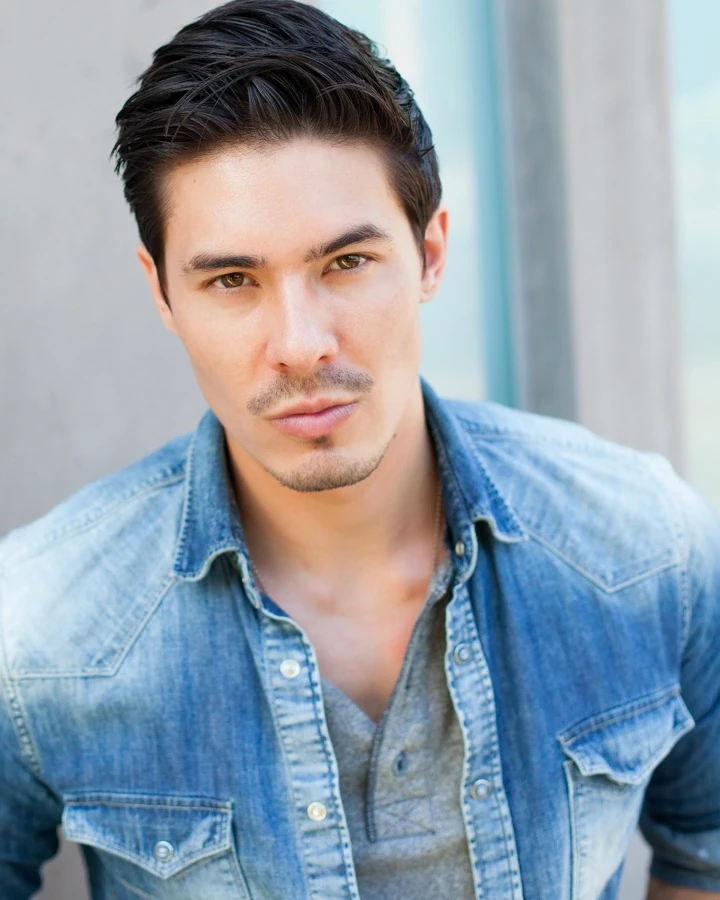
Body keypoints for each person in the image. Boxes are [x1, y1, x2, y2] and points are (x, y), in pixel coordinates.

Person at [0, 1, 718, 897]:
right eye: (232, 280)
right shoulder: (40, 632)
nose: (302, 345)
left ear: (430, 254)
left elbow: (705, 845)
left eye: (346, 263)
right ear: (163, 293)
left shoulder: (645, 549)